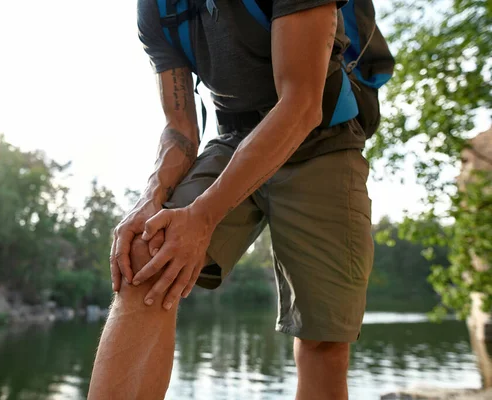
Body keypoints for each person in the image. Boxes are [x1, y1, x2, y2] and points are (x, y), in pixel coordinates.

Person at [88, 0, 386, 398]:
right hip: (233, 138)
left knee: (323, 338)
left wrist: (204, 216)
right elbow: (180, 127)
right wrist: (150, 199)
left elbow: (301, 106)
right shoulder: (158, 8)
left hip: (323, 141)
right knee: (148, 252)